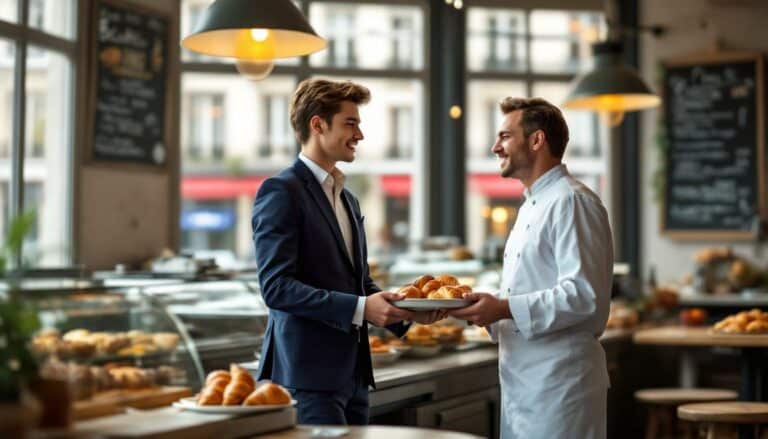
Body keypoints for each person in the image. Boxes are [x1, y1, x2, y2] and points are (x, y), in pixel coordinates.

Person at [252, 78, 440, 426]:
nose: (360, 135)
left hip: (353, 375)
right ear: (317, 124)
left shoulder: (348, 198)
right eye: (350, 123)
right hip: (305, 378)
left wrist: (405, 311)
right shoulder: (281, 191)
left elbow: (359, 282)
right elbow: (276, 288)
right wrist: (360, 308)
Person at [449, 97, 614, 438]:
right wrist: (484, 309)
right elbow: (526, 290)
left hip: (560, 387)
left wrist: (502, 308)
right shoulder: (530, 206)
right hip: (523, 386)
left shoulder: (572, 201)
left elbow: (584, 297)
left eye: (505, 136)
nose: (496, 147)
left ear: (537, 140)